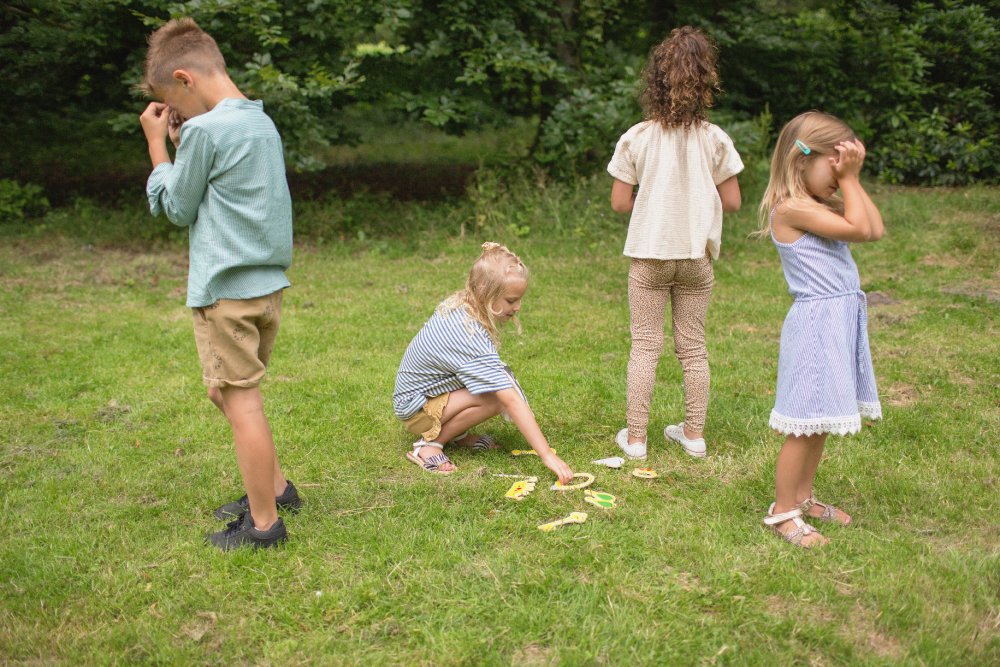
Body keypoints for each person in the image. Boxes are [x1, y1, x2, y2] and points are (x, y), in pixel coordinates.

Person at [138, 18, 300, 551]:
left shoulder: (206, 131)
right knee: (223, 392)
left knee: (240, 400)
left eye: (172, 103)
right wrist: (187, 140)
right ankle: (277, 488)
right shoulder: (258, 121)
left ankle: (263, 525)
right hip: (265, 289)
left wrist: (159, 147)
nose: (176, 115)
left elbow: (179, 207)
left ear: (183, 77)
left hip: (226, 292)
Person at [606, 26, 743, 461]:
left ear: (657, 80)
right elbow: (734, 202)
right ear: (706, 81)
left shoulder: (638, 137)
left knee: (646, 345)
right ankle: (694, 434)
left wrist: (652, 195)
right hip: (695, 257)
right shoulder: (714, 138)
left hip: (649, 256)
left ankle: (637, 439)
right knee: (693, 347)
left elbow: (619, 204)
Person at [758, 110, 884, 548]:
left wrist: (851, 178)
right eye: (833, 169)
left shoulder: (815, 205)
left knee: (821, 419)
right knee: (804, 424)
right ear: (800, 161)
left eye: (843, 171)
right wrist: (849, 182)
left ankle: (804, 497)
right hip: (816, 326)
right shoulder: (791, 209)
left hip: (837, 322)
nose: (839, 180)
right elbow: (860, 230)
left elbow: (875, 227)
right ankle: (782, 512)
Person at [393, 242, 573, 484]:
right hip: (415, 409)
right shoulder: (467, 335)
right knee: (496, 397)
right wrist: (546, 455)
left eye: (519, 299)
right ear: (484, 291)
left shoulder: (465, 307)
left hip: (426, 395)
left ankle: (456, 434)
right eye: (511, 300)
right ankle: (429, 447)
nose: (517, 307)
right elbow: (508, 397)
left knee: (498, 383)